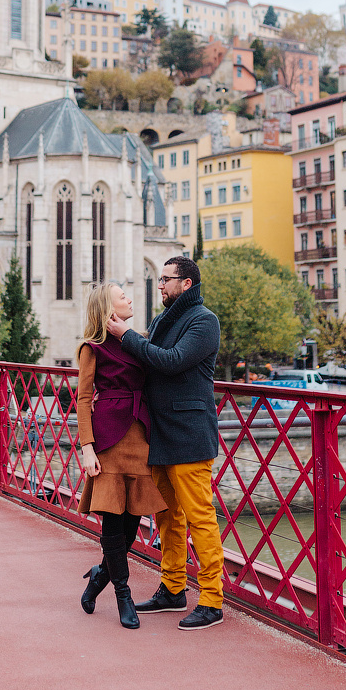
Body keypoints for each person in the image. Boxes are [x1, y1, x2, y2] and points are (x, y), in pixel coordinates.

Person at [107, 256, 225, 632]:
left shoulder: (204, 321)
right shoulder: (163, 319)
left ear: (186, 284)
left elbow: (171, 362)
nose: (159, 286)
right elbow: (146, 362)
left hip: (189, 433)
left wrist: (126, 337)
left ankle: (212, 600)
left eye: (166, 280)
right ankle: (173, 588)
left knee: (200, 518)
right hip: (160, 432)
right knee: (166, 517)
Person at [76, 282, 166, 630]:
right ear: (107, 307)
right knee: (113, 520)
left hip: (141, 434)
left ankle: (99, 574)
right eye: (122, 295)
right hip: (108, 438)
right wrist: (86, 447)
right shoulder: (92, 347)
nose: (130, 298)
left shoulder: (139, 340)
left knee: (132, 524)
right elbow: (84, 399)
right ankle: (122, 594)